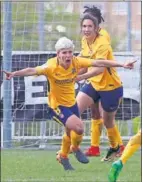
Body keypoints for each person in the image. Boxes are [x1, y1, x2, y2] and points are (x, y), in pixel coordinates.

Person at [3, 37, 135, 170]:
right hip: (57, 106)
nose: (67, 55)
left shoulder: (76, 62)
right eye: (64, 52)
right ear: (58, 54)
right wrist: (14, 73)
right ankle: (75, 148)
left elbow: (98, 62)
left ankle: (63, 156)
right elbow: (32, 70)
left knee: (69, 133)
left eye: (70, 52)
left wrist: (122, 64)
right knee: (79, 128)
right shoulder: (50, 66)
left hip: (72, 104)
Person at [75, 12, 128, 162]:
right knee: (74, 110)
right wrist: (70, 74)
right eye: (84, 26)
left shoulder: (103, 41)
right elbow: (84, 63)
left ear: (97, 27)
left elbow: (99, 68)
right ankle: (71, 148)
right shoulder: (85, 40)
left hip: (110, 86)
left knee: (108, 122)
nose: (86, 29)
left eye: (90, 26)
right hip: (94, 83)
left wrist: (79, 77)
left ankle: (116, 147)